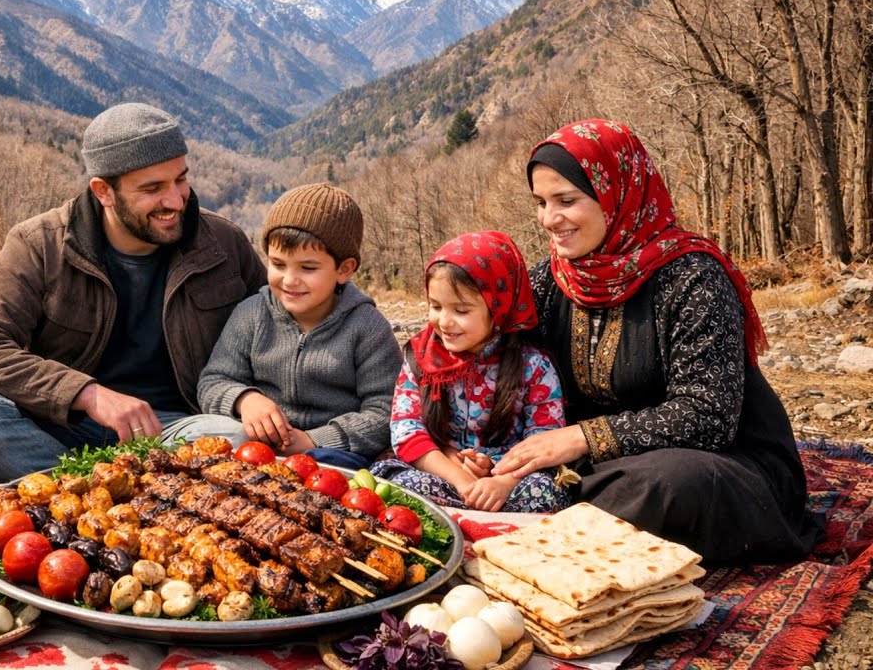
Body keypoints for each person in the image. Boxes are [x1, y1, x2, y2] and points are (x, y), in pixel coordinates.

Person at [494, 118, 822, 563]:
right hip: (603, 466)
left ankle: (540, 538)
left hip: (723, 463)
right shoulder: (551, 281)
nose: (549, 219)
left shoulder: (693, 277)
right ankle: (554, 529)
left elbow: (708, 417)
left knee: (668, 484)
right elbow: (499, 361)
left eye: (566, 200)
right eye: (541, 202)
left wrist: (581, 439)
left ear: (617, 194)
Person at [0, 103, 267, 483]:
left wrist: (248, 397)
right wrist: (87, 394)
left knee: (237, 436)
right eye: (153, 188)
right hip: (64, 425)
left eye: (180, 179)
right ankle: (110, 495)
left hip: (172, 430)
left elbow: (278, 332)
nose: (175, 200)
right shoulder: (39, 244)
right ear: (104, 191)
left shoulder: (223, 243)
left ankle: (75, 495)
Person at [195, 183, 401, 467]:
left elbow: (385, 412)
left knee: (330, 460)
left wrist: (314, 440)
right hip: (259, 446)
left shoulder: (368, 329)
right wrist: (245, 400)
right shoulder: (252, 314)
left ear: (344, 269)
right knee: (217, 439)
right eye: (278, 264)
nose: (289, 280)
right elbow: (212, 382)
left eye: (307, 268)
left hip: (332, 455)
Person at [370, 232, 571, 512]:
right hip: (441, 470)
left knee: (545, 492)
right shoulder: (419, 356)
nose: (444, 321)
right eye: (435, 306)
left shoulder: (533, 366)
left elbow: (544, 437)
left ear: (498, 308)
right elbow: (406, 428)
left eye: (461, 310)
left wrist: (501, 479)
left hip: (509, 479)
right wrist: (464, 482)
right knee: (400, 485)